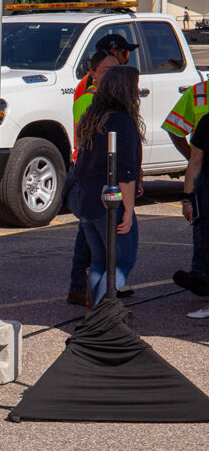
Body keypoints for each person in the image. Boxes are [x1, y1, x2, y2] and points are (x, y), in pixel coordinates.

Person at [73, 66, 144, 306]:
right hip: (110, 201)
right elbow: (124, 171)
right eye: (135, 87)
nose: (137, 92)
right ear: (126, 90)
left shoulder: (92, 117)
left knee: (99, 261)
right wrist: (128, 210)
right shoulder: (123, 121)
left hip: (87, 198)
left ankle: (96, 312)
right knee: (121, 263)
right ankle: (103, 314)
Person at [67, 50, 118, 305]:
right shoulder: (89, 100)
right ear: (93, 74)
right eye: (107, 70)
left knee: (92, 236)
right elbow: (90, 141)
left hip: (102, 175)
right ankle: (86, 289)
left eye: (116, 70)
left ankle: (88, 289)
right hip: (93, 176)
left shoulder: (110, 100)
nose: (112, 75)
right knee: (94, 238)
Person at [167, 78, 209, 300]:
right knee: (202, 224)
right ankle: (199, 275)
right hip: (204, 175)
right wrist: (192, 156)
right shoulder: (198, 93)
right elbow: (174, 128)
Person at [72, 34, 138, 100]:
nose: (127, 59)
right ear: (113, 53)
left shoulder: (88, 82)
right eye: (126, 54)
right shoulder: (110, 84)